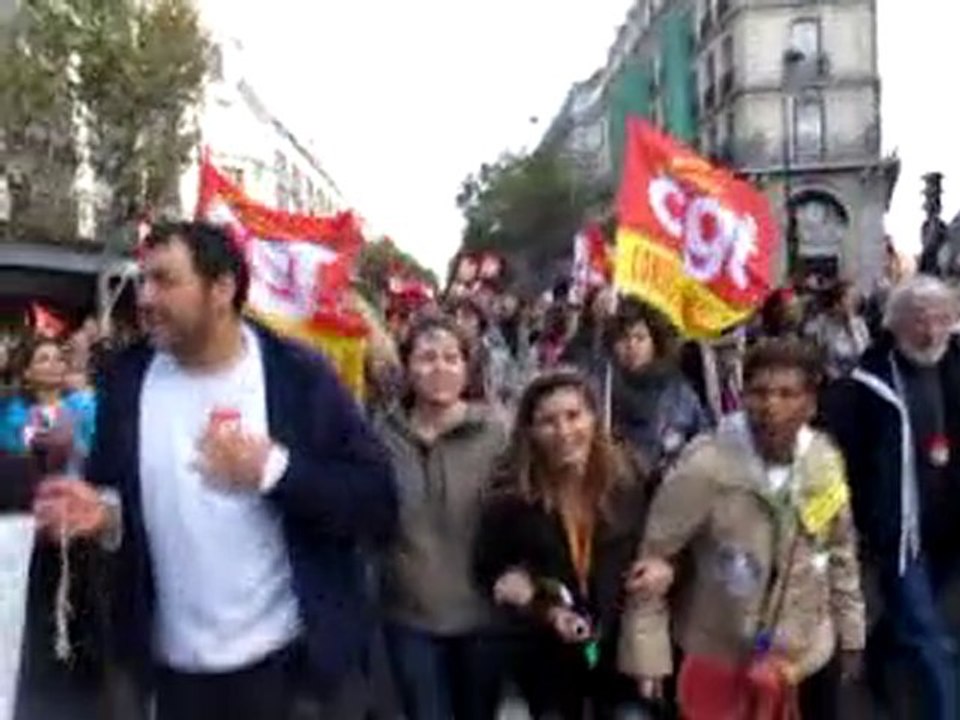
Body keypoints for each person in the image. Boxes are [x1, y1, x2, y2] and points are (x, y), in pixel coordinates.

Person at [31, 221, 397, 720]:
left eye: (164, 280)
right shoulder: (126, 379)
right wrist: (103, 514)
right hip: (172, 681)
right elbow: (119, 500)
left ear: (222, 288)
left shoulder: (298, 376)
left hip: (289, 676)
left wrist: (275, 470)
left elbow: (376, 500)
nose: (145, 297)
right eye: (143, 279)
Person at [621, 338, 865, 720]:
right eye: (759, 392)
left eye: (787, 394)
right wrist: (648, 655)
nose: (771, 406)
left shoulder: (824, 461)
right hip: (720, 659)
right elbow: (653, 561)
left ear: (811, 403)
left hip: (804, 657)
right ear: (743, 396)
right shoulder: (705, 466)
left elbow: (839, 550)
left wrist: (851, 632)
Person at [474, 369, 654, 719]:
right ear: (530, 430)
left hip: (623, 654)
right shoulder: (512, 499)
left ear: (594, 419)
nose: (564, 432)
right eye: (548, 422)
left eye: (574, 416)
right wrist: (536, 602)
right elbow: (488, 568)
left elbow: (663, 548)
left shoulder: (630, 481)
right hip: (549, 662)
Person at [825, 275, 960, 720]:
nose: (931, 331)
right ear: (896, 323)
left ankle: (879, 662)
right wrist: (862, 521)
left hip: (948, 527)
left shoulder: (954, 367)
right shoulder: (867, 385)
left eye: (941, 318)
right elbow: (845, 458)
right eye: (920, 319)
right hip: (899, 533)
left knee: (913, 619)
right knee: (931, 638)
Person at [376, 315, 509, 720]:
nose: (440, 368)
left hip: (482, 617)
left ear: (467, 368)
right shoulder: (380, 435)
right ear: (407, 367)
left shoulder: (497, 434)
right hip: (409, 617)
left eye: (452, 358)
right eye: (427, 358)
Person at [1, 337, 100, 720]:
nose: (54, 365)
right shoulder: (12, 415)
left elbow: (97, 452)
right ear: (27, 372)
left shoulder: (85, 407)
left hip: (81, 527)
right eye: (42, 359)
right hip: (34, 532)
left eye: (58, 358)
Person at [606, 299, 709, 471]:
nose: (631, 346)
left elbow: (702, 438)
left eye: (640, 338)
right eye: (623, 338)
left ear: (654, 342)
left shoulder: (678, 390)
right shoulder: (605, 387)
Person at [805, 280, 870, 379]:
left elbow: (862, 352)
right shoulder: (824, 321)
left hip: (853, 377)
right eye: (847, 299)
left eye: (853, 300)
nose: (849, 304)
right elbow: (809, 336)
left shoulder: (859, 324)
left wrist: (851, 326)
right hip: (829, 376)